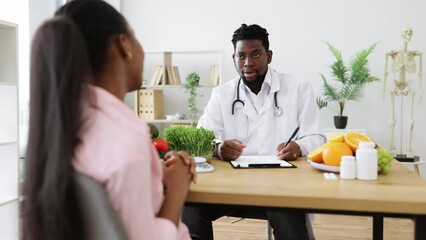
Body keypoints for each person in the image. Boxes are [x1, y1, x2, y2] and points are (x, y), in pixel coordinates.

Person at [23, 1, 196, 240]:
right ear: (124, 45)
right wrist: (177, 190)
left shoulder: (65, 124)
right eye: (135, 36)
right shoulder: (125, 144)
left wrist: (155, 177)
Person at [182, 24, 325, 240]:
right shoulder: (222, 94)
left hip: (280, 188)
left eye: (255, 54)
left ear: (268, 55)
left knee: (287, 213)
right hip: (230, 189)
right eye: (241, 56)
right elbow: (203, 137)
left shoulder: (298, 88)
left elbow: (317, 137)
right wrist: (219, 147)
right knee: (190, 210)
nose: (248, 62)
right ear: (234, 58)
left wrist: (299, 146)